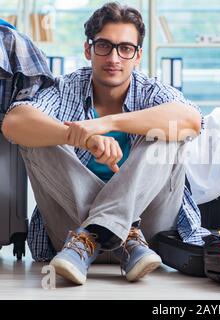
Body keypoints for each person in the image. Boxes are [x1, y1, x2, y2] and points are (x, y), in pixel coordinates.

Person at [1, 2, 204, 285]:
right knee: (39, 136)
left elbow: (191, 120)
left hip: (147, 234)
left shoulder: (151, 91)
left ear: (137, 56)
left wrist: (107, 124)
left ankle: (105, 232)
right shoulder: (66, 88)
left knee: (168, 134)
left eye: (125, 48)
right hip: (71, 236)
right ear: (89, 49)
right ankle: (116, 232)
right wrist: (78, 136)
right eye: (104, 46)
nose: (114, 58)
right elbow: (14, 122)